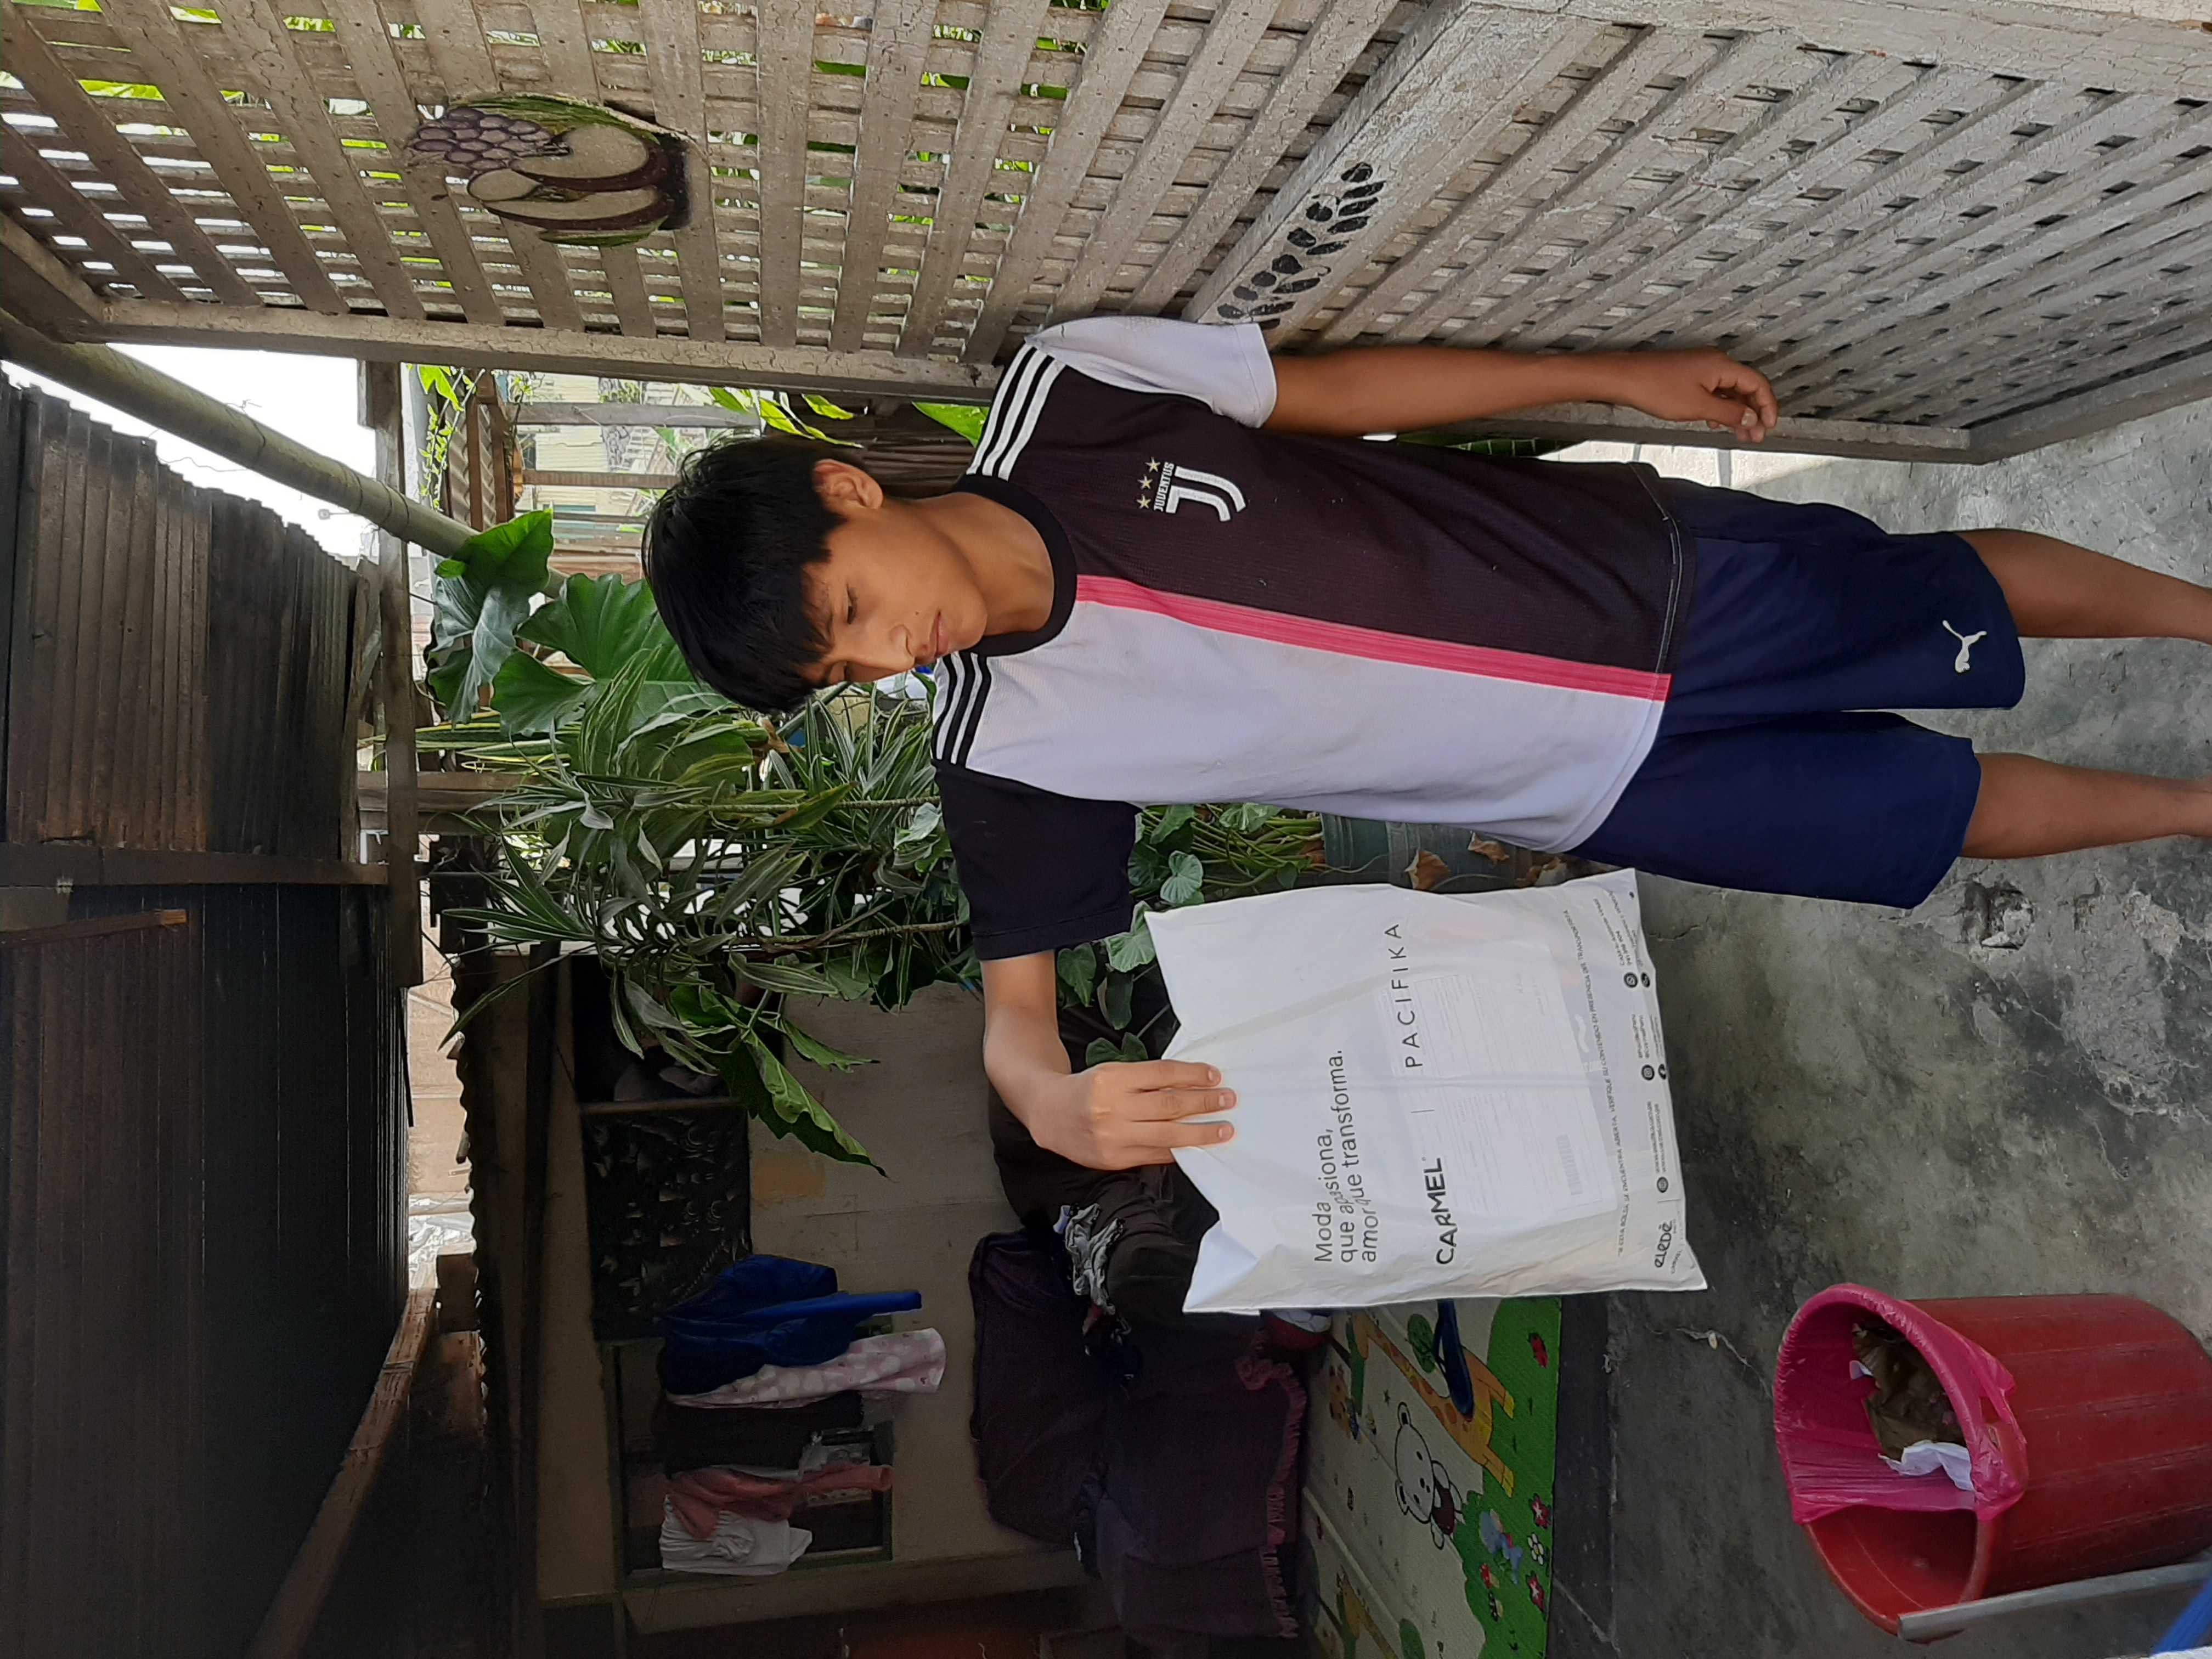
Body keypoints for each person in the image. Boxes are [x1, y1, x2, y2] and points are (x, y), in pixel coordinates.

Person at [645, 317, 2212, 1172]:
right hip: (1596, 781)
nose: (887, 653)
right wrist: (1046, 1097)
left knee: (1943, 593)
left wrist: (1609, 375)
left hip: (1637, 577)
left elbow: (1330, 394)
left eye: (852, 609)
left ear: (848, 491)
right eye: (844, 667)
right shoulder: (1010, 746)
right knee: (1927, 813)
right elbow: (1018, 1016)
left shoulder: (1076, 398)